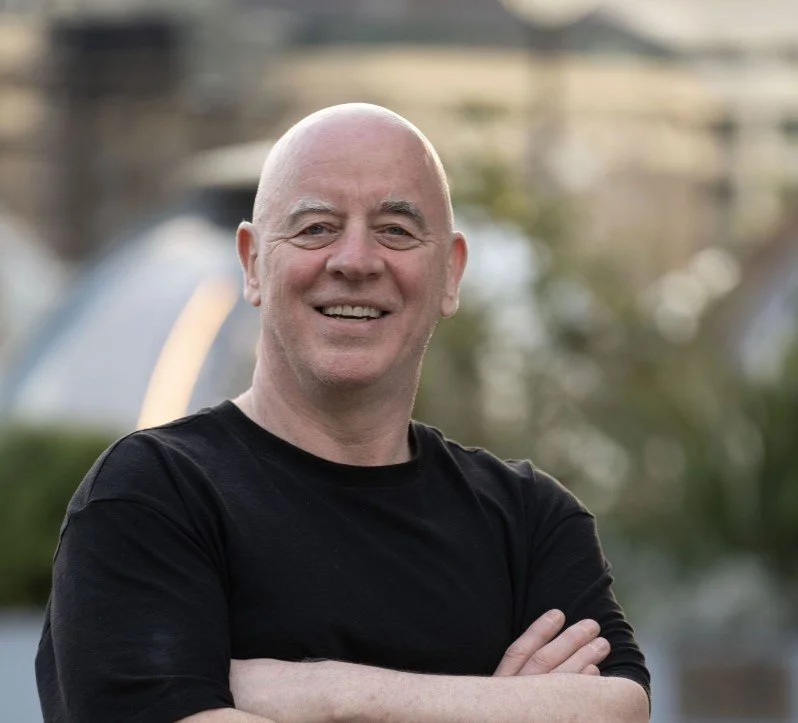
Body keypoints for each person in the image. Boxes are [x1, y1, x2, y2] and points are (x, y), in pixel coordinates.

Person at [35, 104, 650, 722]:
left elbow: (618, 709)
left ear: (450, 274)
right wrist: (503, 707)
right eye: (316, 228)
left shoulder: (531, 521)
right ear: (252, 263)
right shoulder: (153, 497)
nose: (355, 261)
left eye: (396, 231)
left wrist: (324, 695)